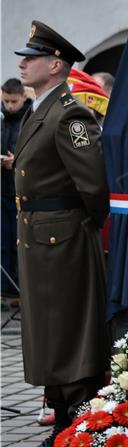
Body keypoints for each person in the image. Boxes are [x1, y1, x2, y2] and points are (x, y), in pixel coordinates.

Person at [12, 22, 109, 447]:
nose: (21, 63)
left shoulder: (70, 114)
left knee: (69, 335)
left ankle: (74, 433)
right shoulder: (40, 109)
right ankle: (63, 431)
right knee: (50, 335)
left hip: (62, 239)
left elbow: (93, 186)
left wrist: (74, 228)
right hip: (40, 237)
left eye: (30, 57)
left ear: (55, 65)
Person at [1, 78, 31, 301]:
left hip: (22, 191)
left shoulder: (29, 117)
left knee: (20, 242)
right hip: (2, 188)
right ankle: (3, 289)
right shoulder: (1, 118)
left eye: (13, 101)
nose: (10, 106)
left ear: (23, 97)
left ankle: (22, 289)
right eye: (5, 101)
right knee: (2, 241)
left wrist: (17, 161)